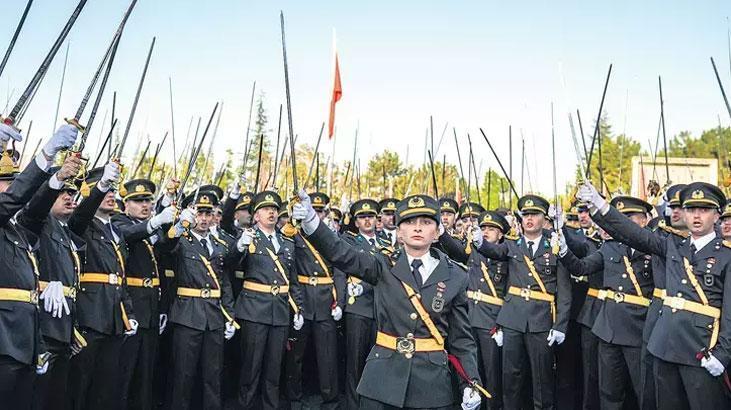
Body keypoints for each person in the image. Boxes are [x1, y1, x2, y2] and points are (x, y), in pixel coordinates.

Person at [293, 192, 484, 410]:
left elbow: (462, 340)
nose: (418, 228)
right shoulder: (382, 265)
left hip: (432, 387)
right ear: (399, 231)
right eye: (409, 222)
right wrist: (310, 221)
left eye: (426, 222)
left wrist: (471, 382)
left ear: (437, 231)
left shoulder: (456, 276)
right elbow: (340, 253)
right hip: (382, 381)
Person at [577, 180, 731, 409]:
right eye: (691, 209)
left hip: (701, 349)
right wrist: (600, 204)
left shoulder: (726, 255)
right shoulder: (672, 246)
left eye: (704, 210)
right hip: (665, 345)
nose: (696, 216)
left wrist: (723, 354)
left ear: (717, 216)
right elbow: (632, 233)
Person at [0, 123, 78, 410]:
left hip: (23, 342)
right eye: (8, 183)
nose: (16, 190)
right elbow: (14, 200)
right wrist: (45, 153)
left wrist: (56, 178)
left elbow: (33, 211)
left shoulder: (16, 230)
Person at [471, 194, 572, 410]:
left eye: (534, 214)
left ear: (544, 218)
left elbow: (564, 292)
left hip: (541, 320)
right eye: (525, 214)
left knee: (542, 380)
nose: (529, 219)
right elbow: (494, 251)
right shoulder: (512, 245)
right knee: (511, 379)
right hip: (513, 320)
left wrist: (560, 324)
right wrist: (479, 241)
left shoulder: (554, 246)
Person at [556, 196, 656, 409]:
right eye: (621, 217)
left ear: (646, 219)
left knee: (643, 391)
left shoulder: (653, 247)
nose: (624, 222)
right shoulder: (610, 247)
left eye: (630, 217)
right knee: (609, 391)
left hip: (639, 328)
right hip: (608, 328)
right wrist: (564, 251)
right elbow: (581, 268)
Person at [67, 161, 139, 410]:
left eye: (112, 189)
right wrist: (100, 186)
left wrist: (128, 313)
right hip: (90, 315)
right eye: (105, 190)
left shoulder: (115, 231)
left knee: (105, 388)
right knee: (80, 386)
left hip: (114, 317)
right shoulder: (82, 224)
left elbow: (121, 276)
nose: (111, 195)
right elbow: (79, 216)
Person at [162, 191, 238, 410]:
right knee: (183, 376)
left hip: (214, 317)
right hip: (188, 315)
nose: (204, 218)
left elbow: (224, 284)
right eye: (199, 212)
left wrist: (229, 316)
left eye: (209, 213)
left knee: (213, 376)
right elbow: (165, 246)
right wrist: (179, 225)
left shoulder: (220, 245)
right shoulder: (181, 241)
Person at [233, 190, 303, 410]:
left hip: (280, 311)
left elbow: (293, 279)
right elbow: (230, 265)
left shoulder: (287, 242)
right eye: (265, 209)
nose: (271, 213)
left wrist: (298, 308)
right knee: (250, 370)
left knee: (274, 371)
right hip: (254, 310)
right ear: (256, 215)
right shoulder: (248, 237)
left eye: (274, 209)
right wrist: (239, 247)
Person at [113, 178, 175, 410]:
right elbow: (129, 235)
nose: (145, 205)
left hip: (151, 307)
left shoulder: (151, 226)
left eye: (148, 200)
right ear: (126, 204)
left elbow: (166, 247)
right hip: (130, 307)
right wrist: (156, 221)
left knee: (145, 374)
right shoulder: (119, 221)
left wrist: (175, 227)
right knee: (124, 372)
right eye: (138, 201)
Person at [439, 210, 510, 409]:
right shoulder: (471, 251)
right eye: (484, 228)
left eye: (492, 229)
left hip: (492, 323)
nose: (486, 232)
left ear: (501, 234)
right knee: (467, 371)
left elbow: (512, 292)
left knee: (491, 374)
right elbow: (453, 249)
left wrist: (502, 323)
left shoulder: (507, 254)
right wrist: (442, 230)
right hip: (469, 317)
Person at [285, 191, 345, 410]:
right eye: (314, 210)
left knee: (327, 355)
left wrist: (340, 301)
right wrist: (296, 304)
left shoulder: (329, 236)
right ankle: (294, 398)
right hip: (302, 299)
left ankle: (330, 400)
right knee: (296, 356)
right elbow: (288, 269)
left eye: (320, 211)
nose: (317, 214)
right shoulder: (293, 233)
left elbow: (339, 270)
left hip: (325, 300)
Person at [340, 198, 390, 409]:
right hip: (358, 307)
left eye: (370, 216)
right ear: (356, 221)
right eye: (362, 217)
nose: (367, 221)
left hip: (381, 308)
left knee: (378, 362)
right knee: (355, 362)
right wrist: (341, 301)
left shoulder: (386, 244)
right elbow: (340, 271)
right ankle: (353, 405)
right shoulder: (349, 241)